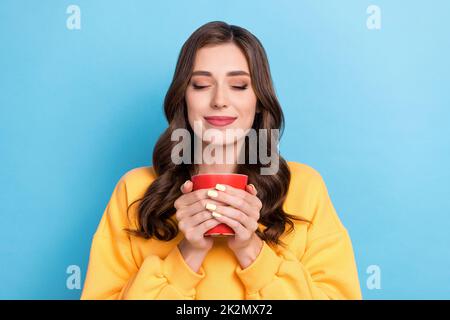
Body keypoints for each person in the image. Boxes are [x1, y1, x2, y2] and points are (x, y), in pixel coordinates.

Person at [80, 21, 362, 300]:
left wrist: (250, 249)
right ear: (183, 97)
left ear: (259, 100)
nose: (219, 100)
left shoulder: (304, 187)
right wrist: (188, 253)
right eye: (201, 85)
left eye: (239, 86)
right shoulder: (136, 190)